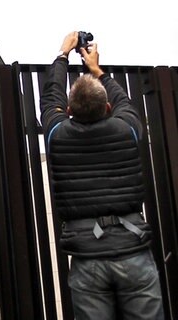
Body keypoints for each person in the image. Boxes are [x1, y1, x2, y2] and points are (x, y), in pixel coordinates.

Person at [40, 31, 165, 319]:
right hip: (133, 249)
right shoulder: (126, 130)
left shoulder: (59, 135)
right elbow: (125, 102)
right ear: (107, 108)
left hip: (87, 257)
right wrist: (98, 70)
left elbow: (49, 100)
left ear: (69, 110)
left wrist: (63, 54)